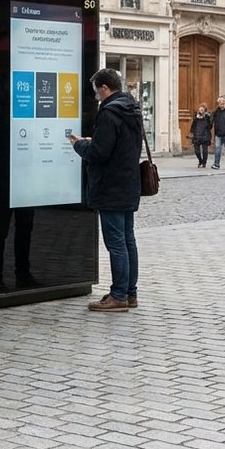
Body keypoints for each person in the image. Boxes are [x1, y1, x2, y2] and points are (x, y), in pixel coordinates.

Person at [68, 68, 142, 313]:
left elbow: (100, 154)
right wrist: (94, 141)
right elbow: (118, 145)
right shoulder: (131, 108)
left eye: (96, 91)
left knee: (116, 243)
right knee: (128, 240)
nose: (96, 96)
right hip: (129, 182)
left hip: (111, 185)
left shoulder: (109, 112)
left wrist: (79, 145)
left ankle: (118, 295)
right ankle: (130, 293)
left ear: (104, 88)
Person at [188, 102, 212, 168]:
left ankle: (204, 163)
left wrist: (208, 118)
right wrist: (191, 132)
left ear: (205, 110)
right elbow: (193, 125)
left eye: (202, 110)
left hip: (205, 135)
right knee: (197, 151)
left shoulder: (207, 117)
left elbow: (210, 126)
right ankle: (200, 161)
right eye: (200, 110)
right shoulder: (196, 116)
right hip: (197, 135)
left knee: (205, 151)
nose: (200, 111)